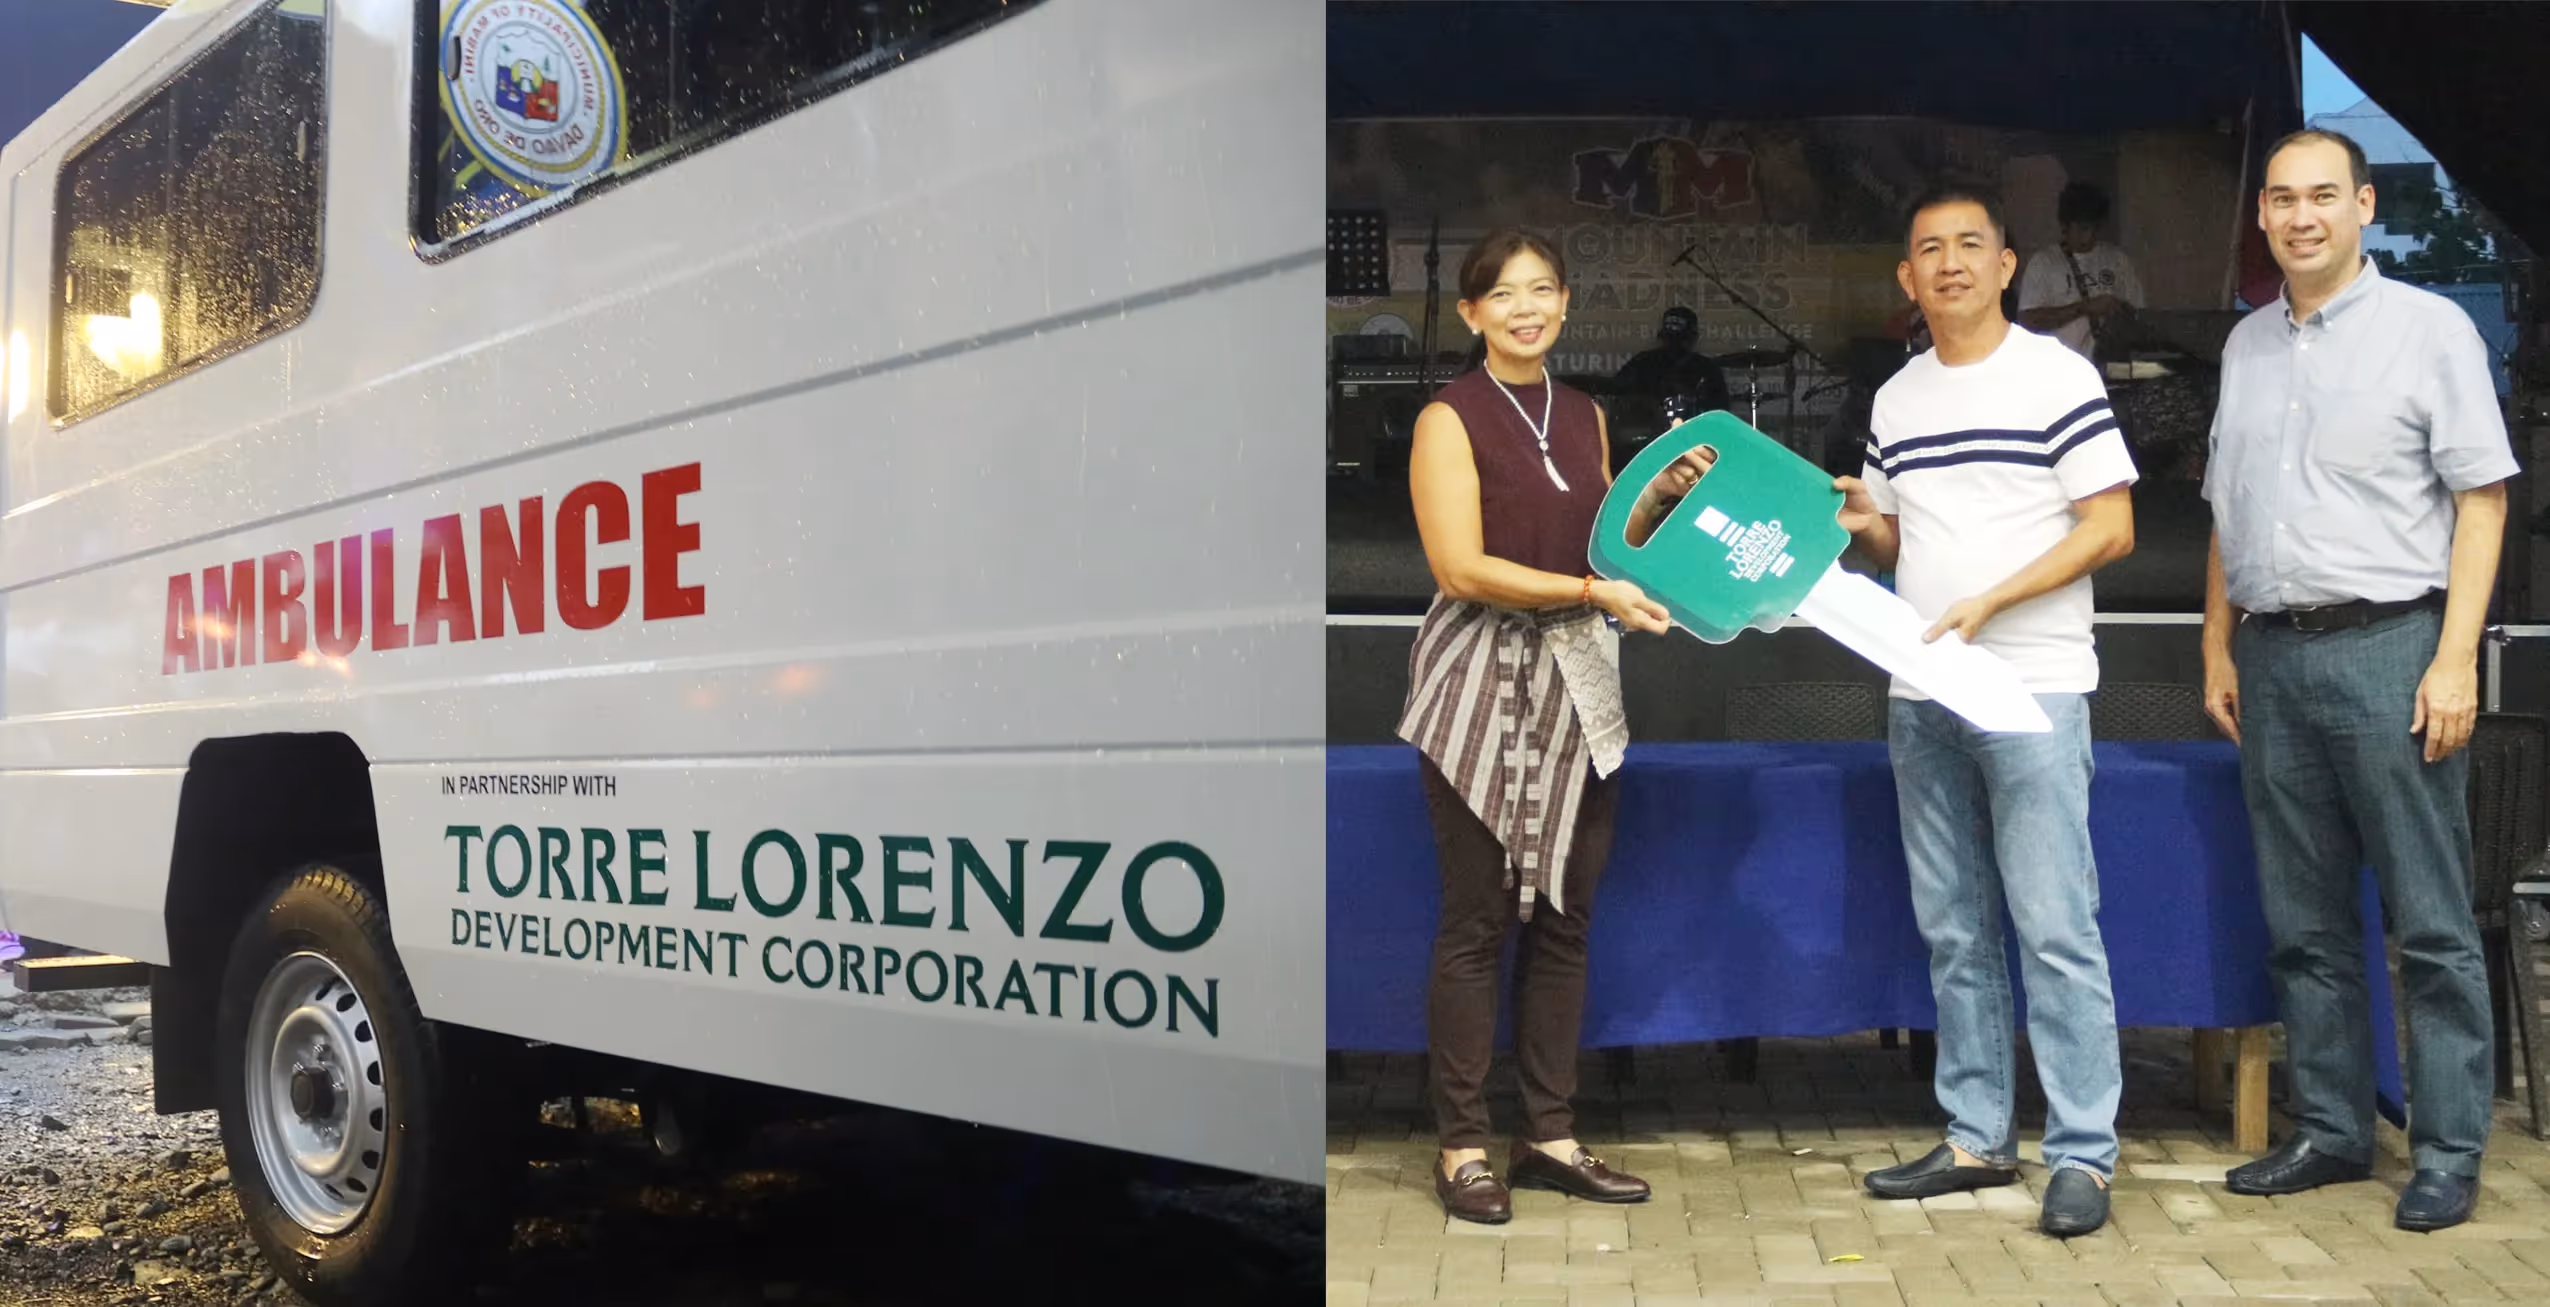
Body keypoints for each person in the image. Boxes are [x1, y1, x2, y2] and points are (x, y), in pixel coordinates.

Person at [2200, 128, 2514, 1233]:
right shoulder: (2245, 346)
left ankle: (2447, 1146)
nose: (2299, 216)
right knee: (2305, 920)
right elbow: (2224, 511)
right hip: (2273, 657)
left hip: (2394, 647)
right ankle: (2331, 1128)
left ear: (2365, 206)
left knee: (2428, 921)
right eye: (2281, 200)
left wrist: (2453, 656)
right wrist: (2215, 643)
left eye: (2322, 196)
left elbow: (2483, 497)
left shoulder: (2432, 332)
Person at [1835, 187, 2139, 1237]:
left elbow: (2111, 526)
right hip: (1920, 685)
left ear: (2009, 266)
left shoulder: (2058, 374)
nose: (1952, 262)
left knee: (2055, 922)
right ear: (1907, 281)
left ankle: (2084, 1154)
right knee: (1954, 925)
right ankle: (1974, 1133)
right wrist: (1862, 523)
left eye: (1972, 244)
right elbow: (1898, 545)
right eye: (1931, 250)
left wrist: (1995, 601)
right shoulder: (1897, 397)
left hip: (2032, 681)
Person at [1400, 228, 1703, 1225]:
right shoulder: (1450, 415)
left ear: (1566, 304)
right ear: (1475, 311)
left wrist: (1661, 496)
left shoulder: (1583, 415)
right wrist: (1587, 587)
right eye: (1505, 293)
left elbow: (1612, 542)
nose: (1526, 306)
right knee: (1479, 920)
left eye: (1543, 290)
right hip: (1481, 678)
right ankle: (1461, 1145)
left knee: (1567, 917)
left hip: (1581, 677)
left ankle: (1551, 1133)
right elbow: (1460, 567)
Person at [2018, 181, 2142, 364]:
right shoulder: (2044, 262)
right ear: (2064, 226)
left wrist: (2119, 312)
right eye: (2082, 228)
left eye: (2095, 228)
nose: (2089, 236)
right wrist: (2085, 307)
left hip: (2108, 369)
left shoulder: (2117, 259)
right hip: (2060, 371)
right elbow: (2028, 321)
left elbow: (2138, 314)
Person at [1611, 305, 1734, 423]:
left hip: (1694, 435)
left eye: (1679, 340)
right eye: (1669, 339)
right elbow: (1617, 391)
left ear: (1693, 338)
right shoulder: (1643, 362)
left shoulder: (1707, 369)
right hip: (1648, 436)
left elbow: (1720, 412)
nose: (1673, 346)